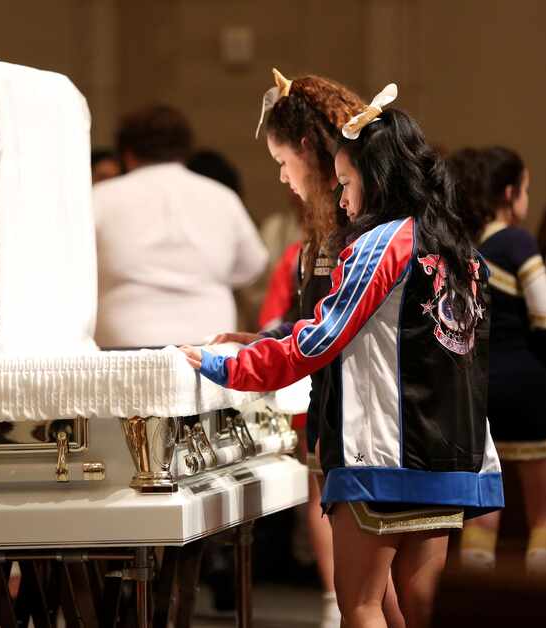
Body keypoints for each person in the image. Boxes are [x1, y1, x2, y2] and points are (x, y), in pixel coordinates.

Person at [182, 90, 504, 628]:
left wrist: (222, 367)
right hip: (455, 456)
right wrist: (264, 339)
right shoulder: (462, 250)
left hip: (383, 453)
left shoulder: (383, 242)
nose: (341, 195)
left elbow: (319, 340)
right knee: (420, 612)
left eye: (348, 182)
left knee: (360, 604)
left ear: (376, 180)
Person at [212, 68, 384, 628]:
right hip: (347, 411)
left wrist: (233, 362)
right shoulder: (326, 227)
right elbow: (313, 320)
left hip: (378, 420)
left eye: (284, 164)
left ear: (311, 150)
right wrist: (266, 339)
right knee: (379, 599)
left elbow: (332, 327)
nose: (284, 179)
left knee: (374, 599)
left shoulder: (362, 227)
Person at [450, 146, 546, 573]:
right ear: (509, 193)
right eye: (525, 189)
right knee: (544, 518)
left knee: (482, 523)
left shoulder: (462, 247)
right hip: (529, 388)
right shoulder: (518, 241)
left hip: (479, 391)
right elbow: (545, 317)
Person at [93, 104, 268, 348]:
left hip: (124, 335)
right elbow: (253, 264)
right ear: (184, 150)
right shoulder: (220, 196)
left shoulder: (101, 197)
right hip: (208, 337)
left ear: (127, 153)